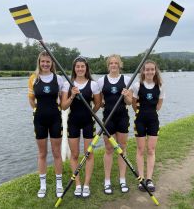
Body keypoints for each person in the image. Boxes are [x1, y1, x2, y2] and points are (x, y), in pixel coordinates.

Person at [61, 56, 101, 198]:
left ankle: (86, 185)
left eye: (82, 66)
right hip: (73, 122)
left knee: (88, 153)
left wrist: (91, 114)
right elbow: (63, 106)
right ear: (74, 68)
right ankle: (77, 184)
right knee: (75, 154)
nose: (80, 69)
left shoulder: (93, 84)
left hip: (88, 122)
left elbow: (97, 104)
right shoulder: (68, 84)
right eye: (77, 66)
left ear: (86, 68)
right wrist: (72, 96)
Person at [28, 51, 65, 198]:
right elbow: (31, 99)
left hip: (55, 119)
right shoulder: (33, 79)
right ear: (39, 62)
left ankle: (59, 184)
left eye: (48, 62)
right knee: (42, 153)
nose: (45, 64)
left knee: (57, 153)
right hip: (40, 120)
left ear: (52, 64)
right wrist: (37, 109)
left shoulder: (59, 79)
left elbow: (62, 102)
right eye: (42, 61)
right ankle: (43, 185)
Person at [97, 54, 132, 194]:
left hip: (122, 117)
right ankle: (107, 181)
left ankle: (122, 179)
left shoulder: (127, 80)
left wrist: (126, 96)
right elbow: (99, 103)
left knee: (122, 148)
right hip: (108, 119)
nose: (113, 65)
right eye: (111, 63)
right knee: (109, 149)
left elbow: (130, 102)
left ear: (119, 65)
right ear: (108, 65)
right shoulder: (101, 81)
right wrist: (103, 104)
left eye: (116, 63)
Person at [130, 60, 164, 192]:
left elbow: (158, 106)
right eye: (147, 69)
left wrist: (150, 112)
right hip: (140, 120)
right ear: (143, 71)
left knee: (150, 150)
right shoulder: (137, 86)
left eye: (152, 69)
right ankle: (141, 179)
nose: (150, 72)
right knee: (140, 149)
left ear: (155, 71)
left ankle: (149, 179)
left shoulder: (160, 86)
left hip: (153, 121)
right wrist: (141, 112)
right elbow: (134, 104)